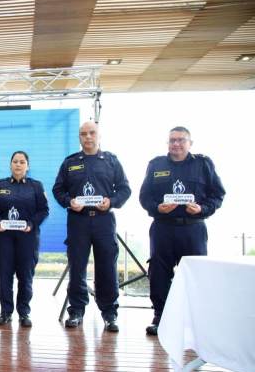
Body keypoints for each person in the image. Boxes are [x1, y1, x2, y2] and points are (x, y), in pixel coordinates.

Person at [140, 126, 225, 336]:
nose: (175, 144)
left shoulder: (203, 164)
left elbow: (218, 195)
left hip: (193, 229)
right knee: (159, 274)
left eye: (180, 140)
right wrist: (156, 207)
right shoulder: (156, 164)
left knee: (196, 275)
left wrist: (202, 209)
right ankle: (161, 318)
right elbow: (145, 197)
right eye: (171, 140)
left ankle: (195, 321)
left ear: (190, 143)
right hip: (162, 229)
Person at [52, 121, 131, 332]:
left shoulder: (111, 161)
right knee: (77, 267)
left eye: (92, 133)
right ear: (79, 137)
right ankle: (76, 310)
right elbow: (58, 190)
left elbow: (124, 189)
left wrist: (111, 202)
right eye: (83, 134)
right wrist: (69, 202)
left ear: (99, 135)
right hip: (78, 221)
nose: (88, 137)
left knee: (107, 267)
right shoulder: (70, 163)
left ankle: (109, 313)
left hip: (104, 221)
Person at [0, 151, 49, 327]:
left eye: (22, 162)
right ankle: (5, 312)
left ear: (27, 166)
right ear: (10, 164)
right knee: (5, 276)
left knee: (25, 276)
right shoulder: (0, 185)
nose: (18, 165)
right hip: (3, 238)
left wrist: (32, 224)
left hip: (27, 238)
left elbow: (44, 210)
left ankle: (24, 313)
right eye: (15, 161)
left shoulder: (36, 186)